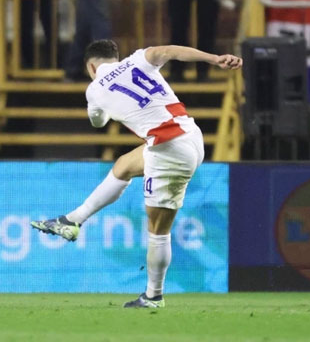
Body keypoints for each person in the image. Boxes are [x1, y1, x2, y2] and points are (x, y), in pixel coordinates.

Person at [31, 39, 242, 308]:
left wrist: (99, 102)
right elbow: (171, 51)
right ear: (116, 58)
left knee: (157, 230)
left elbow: (98, 122)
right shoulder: (139, 58)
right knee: (123, 166)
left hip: (168, 149)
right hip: (190, 135)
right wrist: (214, 58)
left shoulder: (94, 89)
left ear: (91, 67)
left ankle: (154, 296)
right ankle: (72, 220)